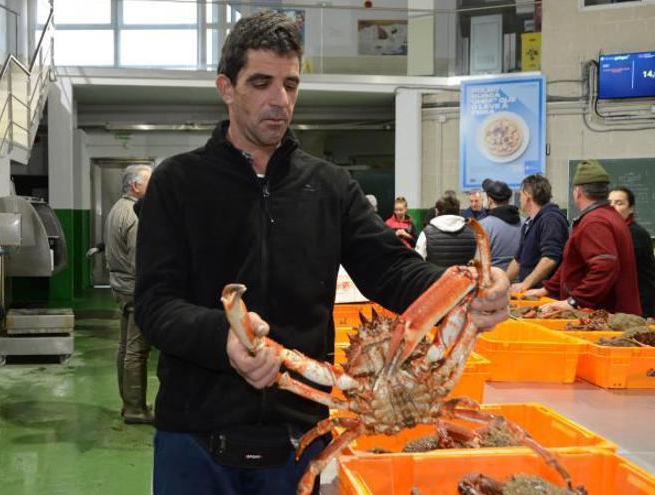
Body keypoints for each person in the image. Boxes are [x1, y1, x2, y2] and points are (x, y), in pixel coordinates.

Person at [134, 12, 510, 495]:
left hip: (298, 435)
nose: (280, 100)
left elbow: (390, 270)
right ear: (226, 87)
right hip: (195, 434)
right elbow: (154, 305)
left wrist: (463, 290)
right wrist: (221, 339)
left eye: (290, 84)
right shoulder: (178, 183)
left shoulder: (329, 185)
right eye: (262, 83)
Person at [528, 160, 641, 315]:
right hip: (611, 314)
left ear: (578, 192)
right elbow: (572, 262)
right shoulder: (608, 216)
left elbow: (605, 266)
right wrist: (548, 288)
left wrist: (575, 301)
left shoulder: (595, 222)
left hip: (607, 318)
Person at [106, 164, 154, 425]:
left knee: (125, 347)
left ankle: (128, 404)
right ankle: (136, 408)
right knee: (137, 351)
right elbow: (140, 261)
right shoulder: (135, 216)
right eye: (150, 181)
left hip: (121, 287)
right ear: (136, 186)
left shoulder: (117, 209)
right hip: (135, 289)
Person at [506, 174, 569, 294]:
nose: (520, 199)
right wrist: (502, 282)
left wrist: (525, 283)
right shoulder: (529, 222)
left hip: (546, 295)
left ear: (528, 196)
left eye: (521, 195)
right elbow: (518, 260)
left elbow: (550, 258)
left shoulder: (551, 219)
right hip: (530, 293)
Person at [609, 186, 655, 317]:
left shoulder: (635, 234)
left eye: (619, 203)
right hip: (622, 307)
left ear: (631, 208)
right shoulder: (613, 232)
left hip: (640, 308)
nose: (612, 207)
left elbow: (614, 268)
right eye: (609, 203)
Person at [415, 195, 477, 267]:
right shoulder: (472, 232)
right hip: (464, 277)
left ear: (437, 211)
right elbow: (478, 262)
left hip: (436, 277)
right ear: (459, 211)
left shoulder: (426, 233)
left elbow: (418, 261)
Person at [478, 179, 521, 271]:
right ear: (509, 199)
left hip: (495, 281)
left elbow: (478, 260)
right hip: (522, 281)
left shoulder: (482, 226)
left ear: (489, 200)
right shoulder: (525, 223)